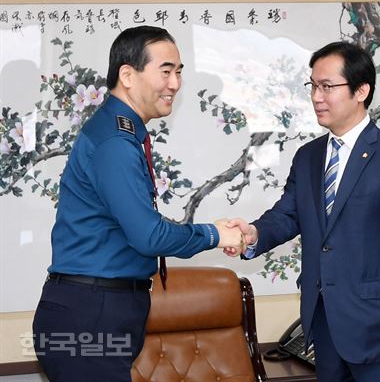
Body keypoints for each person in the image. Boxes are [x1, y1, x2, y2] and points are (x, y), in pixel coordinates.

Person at [32, 25, 244, 382]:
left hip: (99, 310)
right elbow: (148, 236)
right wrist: (214, 234)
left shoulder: (122, 132)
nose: (175, 84)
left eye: (178, 73)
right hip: (90, 315)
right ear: (127, 75)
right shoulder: (116, 141)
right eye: (165, 71)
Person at [224, 41, 380, 381]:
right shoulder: (308, 156)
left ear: (361, 90)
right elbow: (288, 214)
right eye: (313, 86)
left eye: (327, 87)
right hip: (324, 325)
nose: (317, 96)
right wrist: (254, 234)